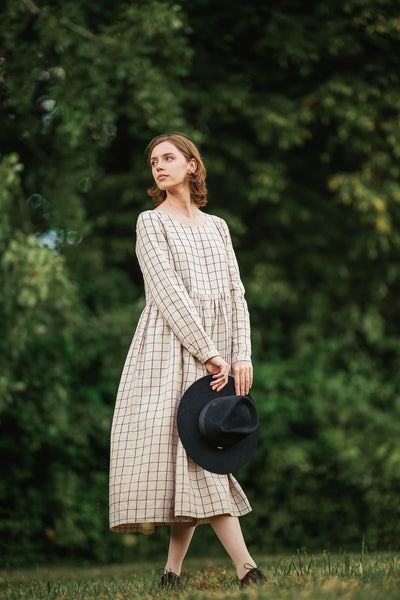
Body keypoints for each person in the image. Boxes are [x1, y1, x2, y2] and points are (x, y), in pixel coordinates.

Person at [109, 133, 266, 588]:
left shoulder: (218, 227)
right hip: (168, 350)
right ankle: (247, 568)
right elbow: (167, 292)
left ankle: (170, 574)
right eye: (153, 161)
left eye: (169, 158)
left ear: (191, 165)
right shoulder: (149, 223)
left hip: (217, 352)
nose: (158, 166)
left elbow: (236, 295)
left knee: (195, 455)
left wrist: (241, 354)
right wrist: (210, 352)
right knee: (197, 454)